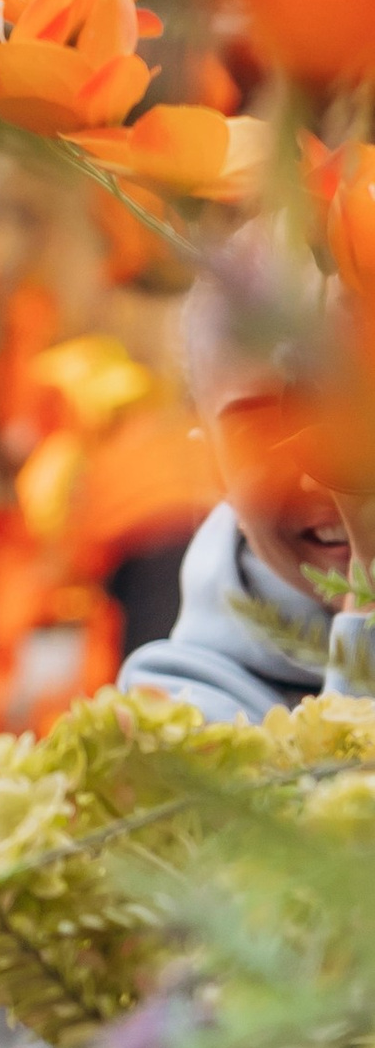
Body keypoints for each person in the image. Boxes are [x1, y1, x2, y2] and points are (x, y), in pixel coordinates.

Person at [123, 243, 375, 718]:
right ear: (215, 472)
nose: (321, 480)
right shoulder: (175, 710)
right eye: (262, 433)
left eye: (355, 416)